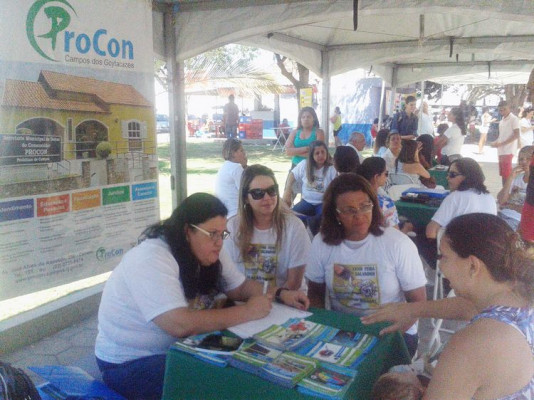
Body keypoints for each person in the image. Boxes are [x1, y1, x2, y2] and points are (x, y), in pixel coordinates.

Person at [94, 193, 309, 399]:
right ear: (187, 231)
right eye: (212, 233)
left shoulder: (210, 247)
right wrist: (248, 311)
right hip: (131, 361)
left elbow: (240, 287)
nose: (219, 242)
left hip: (181, 347)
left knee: (247, 373)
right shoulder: (151, 258)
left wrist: (280, 294)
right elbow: (180, 325)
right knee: (214, 388)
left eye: (222, 234)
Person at [362, 213, 534, 400]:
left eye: (443, 256)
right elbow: (469, 307)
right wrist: (410, 309)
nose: (440, 266)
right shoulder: (518, 296)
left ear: (473, 265)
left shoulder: (472, 344)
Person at [305, 173, 427, 357]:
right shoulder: (322, 243)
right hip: (344, 330)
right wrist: (323, 329)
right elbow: (315, 293)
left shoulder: (397, 243)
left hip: (394, 331)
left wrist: (389, 336)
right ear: (335, 214)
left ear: (373, 205)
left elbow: (418, 303)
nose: (359, 215)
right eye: (349, 210)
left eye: (365, 206)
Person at [224, 164, 310, 290]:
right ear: (245, 198)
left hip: (287, 298)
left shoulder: (295, 227)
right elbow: (229, 278)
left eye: (272, 190)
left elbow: (294, 283)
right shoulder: (232, 227)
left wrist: (269, 297)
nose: (267, 198)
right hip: (246, 297)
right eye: (258, 193)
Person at [426, 158, 497, 239]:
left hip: (458, 245)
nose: (447, 177)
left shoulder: (455, 197)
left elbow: (430, 232)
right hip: (484, 244)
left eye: (452, 174)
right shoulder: (490, 198)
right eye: (448, 174)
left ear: (467, 176)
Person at [283, 140, 337, 230]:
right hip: (306, 202)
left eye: (323, 152)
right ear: (311, 155)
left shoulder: (331, 168)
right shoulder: (304, 164)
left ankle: (309, 221)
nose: (321, 155)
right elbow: (292, 175)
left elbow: (337, 186)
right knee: (289, 216)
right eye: (317, 153)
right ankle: (309, 221)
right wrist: (288, 189)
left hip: (322, 203)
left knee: (324, 219)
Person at [497, 146, 534, 230]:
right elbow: (501, 200)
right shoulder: (517, 178)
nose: (524, 162)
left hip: (518, 220)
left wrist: (511, 206)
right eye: (521, 159)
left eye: (528, 159)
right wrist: (510, 177)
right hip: (502, 214)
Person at [358, 157, 400, 229]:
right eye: (386, 173)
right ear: (376, 177)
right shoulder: (385, 203)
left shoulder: (353, 199)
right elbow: (395, 231)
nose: (387, 177)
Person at [214, 138, 247, 218]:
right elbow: (245, 192)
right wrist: (245, 166)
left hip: (224, 214)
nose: (244, 153)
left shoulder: (225, 166)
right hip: (235, 213)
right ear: (233, 153)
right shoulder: (236, 168)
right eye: (241, 151)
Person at [491, 100, 520, 186]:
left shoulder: (514, 119)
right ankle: (504, 191)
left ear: (509, 108)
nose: (502, 111)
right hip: (501, 150)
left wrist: (502, 144)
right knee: (503, 174)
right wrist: (496, 142)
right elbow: (501, 136)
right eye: (500, 110)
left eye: (504, 109)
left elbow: (516, 135)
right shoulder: (502, 120)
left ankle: (507, 191)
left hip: (508, 150)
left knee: (507, 174)